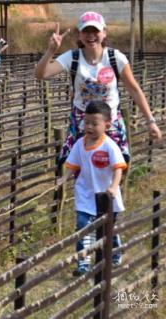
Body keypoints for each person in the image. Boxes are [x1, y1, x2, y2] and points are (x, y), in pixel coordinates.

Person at [35, 11, 162, 165]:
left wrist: (150, 121)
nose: (91, 36)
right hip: (82, 121)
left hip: (110, 121)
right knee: (81, 168)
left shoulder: (116, 58)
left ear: (104, 33)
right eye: (86, 31)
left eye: (95, 31)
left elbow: (134, 90)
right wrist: (51, 50)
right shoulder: (72, 57)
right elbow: (41, 74)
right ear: (79, 35)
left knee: (114, 168)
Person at [57, 101, 126, 276]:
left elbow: (118, 168)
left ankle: (115, 252)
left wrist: (113, 186)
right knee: (82, 226)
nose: (89, 127)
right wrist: (63, 179)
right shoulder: (80, 144)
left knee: (108, 226)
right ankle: (83, 262)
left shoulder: (110, 145)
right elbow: (73, 165)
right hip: (85, 192)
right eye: (87, 122)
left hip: (106, 194)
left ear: (107, 125)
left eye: (95, 124)